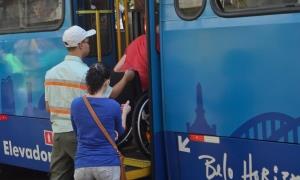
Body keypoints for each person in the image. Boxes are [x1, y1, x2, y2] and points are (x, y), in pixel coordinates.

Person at [45, 25, 134, 180]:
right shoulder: (84, 73)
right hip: (78, 134)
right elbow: (110, 95)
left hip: (58, 133)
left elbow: (48, 107)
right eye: (87, 41)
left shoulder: (51, 72)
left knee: (59, 176)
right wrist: (126, 79)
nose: (89, 44)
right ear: (80, 45)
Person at [71, 63, 131, 180]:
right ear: (107, 82)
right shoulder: (113, 105)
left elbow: (77, 132)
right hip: (107, 163)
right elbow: (121, 131)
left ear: (87, 83)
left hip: (82, 164)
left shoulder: (75, 104)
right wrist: (124, 113)